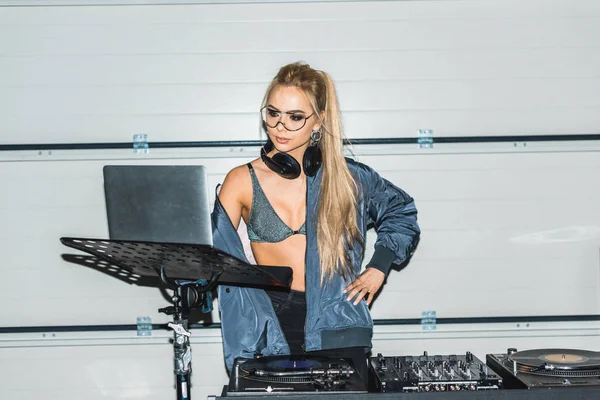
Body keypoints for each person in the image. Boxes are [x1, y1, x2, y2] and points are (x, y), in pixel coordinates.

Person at [211, 62, 420, 383]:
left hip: (338, 326)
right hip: (267, 331)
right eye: (273, 113)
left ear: (319, 120)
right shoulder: (241, 180)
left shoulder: (350, 178)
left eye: (295, 117)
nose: (280, 126)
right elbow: (211, 253)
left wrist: (379, 266)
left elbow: (401, 211)